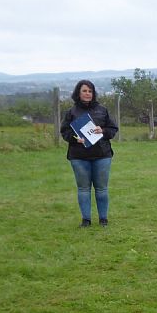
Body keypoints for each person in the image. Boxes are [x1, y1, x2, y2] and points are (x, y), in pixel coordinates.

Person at [60, 79, 118, 227]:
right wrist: (75, 139)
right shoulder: (71, 112)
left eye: (90, 91)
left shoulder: (102, 110)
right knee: (83, 188)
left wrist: (103, 130)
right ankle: (86, 220)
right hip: (79, 157)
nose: (87, 93)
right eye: (84, 91)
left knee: (101, 189)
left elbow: (113, 129)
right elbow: (64, 132)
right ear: (78, 93)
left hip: (102, 155)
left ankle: (103, 219)